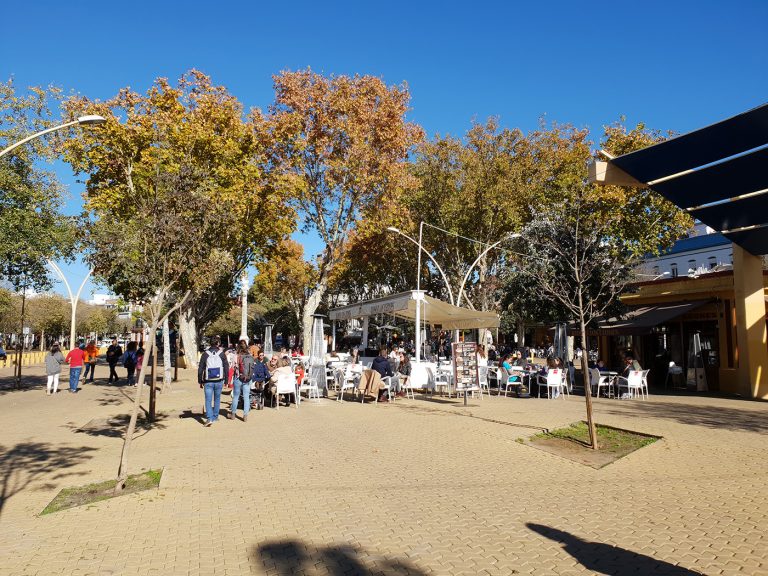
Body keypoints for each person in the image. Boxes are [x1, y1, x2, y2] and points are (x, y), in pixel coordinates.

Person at [198, 336, 228, 426]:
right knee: (217, 399)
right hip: (219, 380)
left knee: (208, 400)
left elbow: (200, 368)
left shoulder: (205, 354)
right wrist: (226, 380)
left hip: (208, 381)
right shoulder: (222, 354)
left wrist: (200, 380)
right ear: (218, 343)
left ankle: (209, 418)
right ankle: (215, 417)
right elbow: (226, 367)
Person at [228, 340, 254, 422]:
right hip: (247, 378)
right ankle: (245, 415)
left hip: (238, 378)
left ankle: (233, 414)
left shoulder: (236, 356)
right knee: (246, 397)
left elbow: (232, 367)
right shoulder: (250, 356)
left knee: (236, 396)